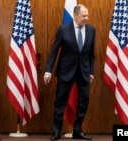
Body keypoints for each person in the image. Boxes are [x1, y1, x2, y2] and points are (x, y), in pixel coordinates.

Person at [43, 4, 95, 141]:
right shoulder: (63, 29)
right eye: (84, 16)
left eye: (87, 15)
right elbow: (54, 51)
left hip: (84, 72)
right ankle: (56, 132)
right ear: (75, 15)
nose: (86, 18)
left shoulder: (91, 30)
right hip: (65, 71)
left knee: (84, 102)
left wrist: (91, 72)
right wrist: (48, 70)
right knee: (60, 102)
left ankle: (77, 131)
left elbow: (91, 55)